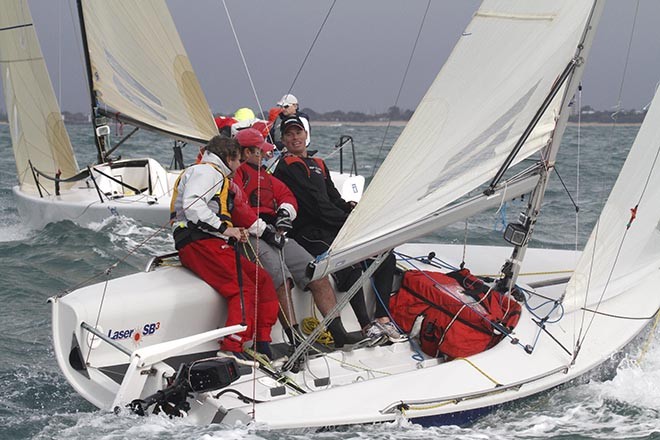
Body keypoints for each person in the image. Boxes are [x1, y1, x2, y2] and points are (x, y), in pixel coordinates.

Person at [273, 116, 404, 343]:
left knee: (385, 256)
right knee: (348, 263)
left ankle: (382, 319)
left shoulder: (319, 164)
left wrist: (354, 211)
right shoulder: (287, 167)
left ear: (306, 135)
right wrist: (348, 222)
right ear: (283, 140)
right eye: (289, 134)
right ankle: (366, 327)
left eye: (298, 132)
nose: (295, 138)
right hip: (308, 232)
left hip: (331, 227)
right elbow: (316, 206)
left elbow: (333, 198)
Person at [232, 128, 363, 350]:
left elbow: (286, 196)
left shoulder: (265, 174)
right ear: (245, 153)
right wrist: (265, 231)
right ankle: (294, 337)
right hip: (250, 234)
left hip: (274, 232)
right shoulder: (236, 175)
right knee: (281, 278)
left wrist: (285, 213)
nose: (264, 155)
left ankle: (337, 332)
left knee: (317, 273)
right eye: (259, 151)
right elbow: (238, 209)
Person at [170, 135, 279, 359]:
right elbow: (194, 207)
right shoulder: (207, 171)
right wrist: (225, 229)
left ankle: (261, 341)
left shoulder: (211, 173)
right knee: (243, 288)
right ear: (228, 158)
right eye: (238, 160)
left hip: (209, 240)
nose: (239, 166)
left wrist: (231, 231)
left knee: (262, 279)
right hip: (198, 242)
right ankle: (231, 348)